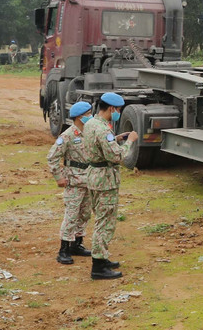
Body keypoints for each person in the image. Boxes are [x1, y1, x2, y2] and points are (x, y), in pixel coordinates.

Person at [83, 92, 138, 279]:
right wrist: (129, 142)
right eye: (118, 110)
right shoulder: (103, 130)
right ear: (112, 108)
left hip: (94, 176)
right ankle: (98, 267)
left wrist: (118, 139)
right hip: (105, 180)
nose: (118, 113)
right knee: (104, 223)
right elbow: (117, 157)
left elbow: (100, 146)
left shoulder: (91, 123)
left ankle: (102, 258)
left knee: (100, 218)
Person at [46, 101, 95, 265]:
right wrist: (58, 177)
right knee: (71, 215)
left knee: (85, 213)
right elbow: (52, 157)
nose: (91, 116)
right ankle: (64, 249)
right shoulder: (67, 135)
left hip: (88, 180)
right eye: (88, 114)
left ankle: (77, 244)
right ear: (80, 117)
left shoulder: (89, 132)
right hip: (73, 181)